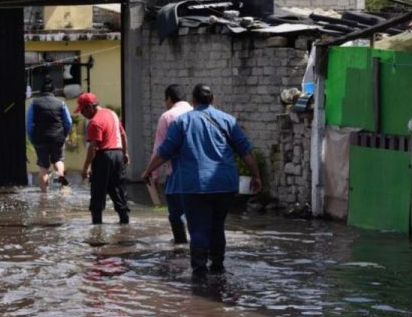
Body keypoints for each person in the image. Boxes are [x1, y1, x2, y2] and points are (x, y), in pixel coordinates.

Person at [141, 84, 261, 277]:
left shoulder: (182, 122)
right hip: (224, 184)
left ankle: (199, 274)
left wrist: (148, 171)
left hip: (194, 185)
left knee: (198, 228)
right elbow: (245, 150)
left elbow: (164, 152)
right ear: (212, 99)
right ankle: (218, 269)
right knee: (217, 226)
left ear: (194, 101)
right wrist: (256, 176)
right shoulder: (228, 120)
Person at [77, 92, 130, 224]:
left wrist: (86, 168)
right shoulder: (112, 114)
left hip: (104, 157)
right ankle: (125, 224)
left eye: (82, 110)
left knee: (98, 195)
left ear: (90, 107)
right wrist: (125, 153)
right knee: (118, 191)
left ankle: (97, 231)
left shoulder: (94, 122)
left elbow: (93, 147)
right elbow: (123, 134)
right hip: (118, 154)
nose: (82, 114)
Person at [150, 84, 192, 243]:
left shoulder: (168, 116)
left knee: (176, 214)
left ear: (169, 99)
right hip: (199, 174)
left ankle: (180, 246)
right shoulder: (197, 113)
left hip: (176, 172)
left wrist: (153, 173)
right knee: (196, 212)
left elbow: (159, 149)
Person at [26, 78, 73, 192]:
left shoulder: (34, 103)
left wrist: (32, 137)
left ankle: (44, 196)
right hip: (57, 137)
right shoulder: (60, 103)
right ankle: (61, 175)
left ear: (41, 91)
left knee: (43, 166)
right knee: (58, 160)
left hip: (40, 138)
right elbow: (68, 122)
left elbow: (28, 123)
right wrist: (64, 134)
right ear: (54, 91)